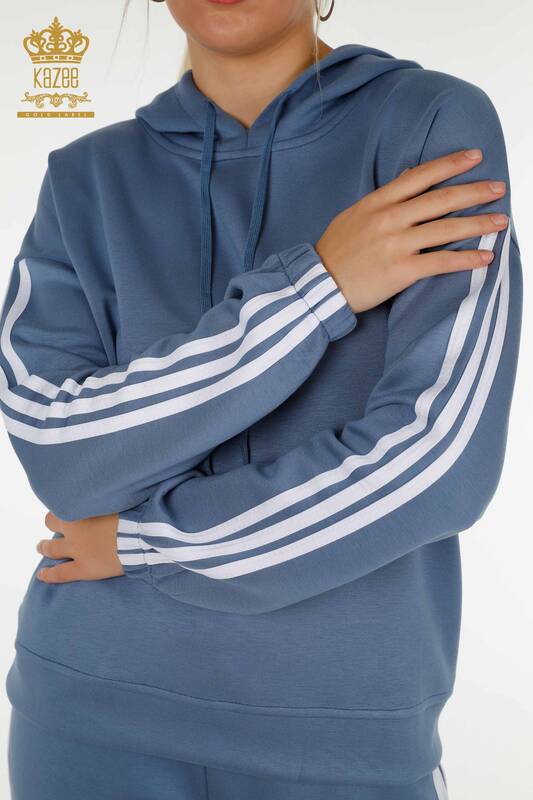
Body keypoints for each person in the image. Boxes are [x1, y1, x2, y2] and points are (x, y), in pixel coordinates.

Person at [1, 1, 523, 798]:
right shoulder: (86, 178)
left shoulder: (424, 127)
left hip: (338, 738)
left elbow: (436, 461)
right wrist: (318, 288)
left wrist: (144, 542)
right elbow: (62, 452)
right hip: (88, 716)